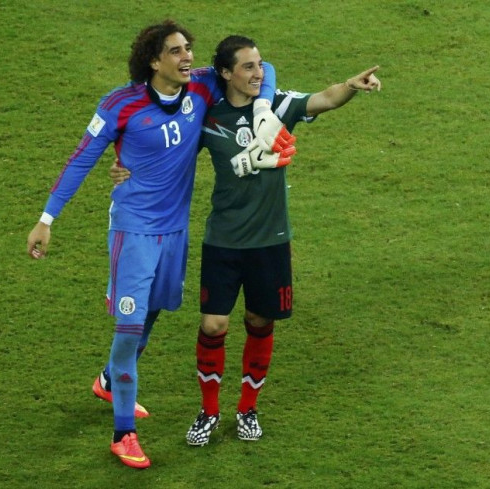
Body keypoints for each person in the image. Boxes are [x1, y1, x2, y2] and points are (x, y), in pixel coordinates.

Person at [25, 21, 290, 469]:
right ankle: (123, 432)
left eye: (189, 49)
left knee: (151, 312)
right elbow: (81, 158)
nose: (188, 57)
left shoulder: (202, 86)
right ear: (154, 60)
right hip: (134, 231)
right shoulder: (120, 105)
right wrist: (46, 219)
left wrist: (263, 108)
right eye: (176, 51)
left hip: (176, 232)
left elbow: (268, 68)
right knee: (128, 330)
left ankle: (110, 381)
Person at [114, 35, 382, 446]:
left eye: (260, 66)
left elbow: (322, 100)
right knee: (213, 324)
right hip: (223, 239)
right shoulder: (208, 113)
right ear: (226, 73)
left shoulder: (277, 106)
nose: (258, 73)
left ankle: (247, 410)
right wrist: (127, 168)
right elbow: (167, 145)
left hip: (270, 240)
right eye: (248, 67)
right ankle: (208, 411)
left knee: (259, 321)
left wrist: (350, 86)